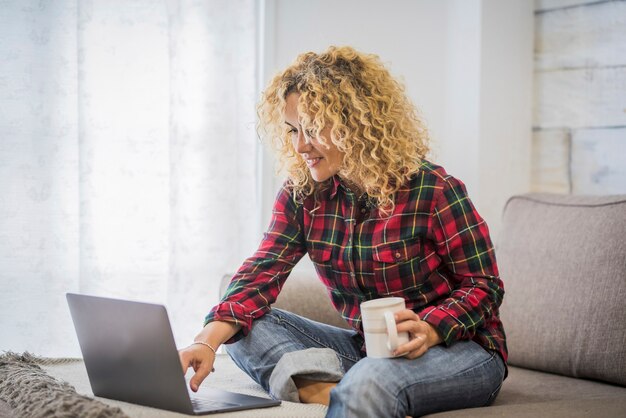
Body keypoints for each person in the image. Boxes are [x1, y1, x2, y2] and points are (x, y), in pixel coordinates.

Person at [178, 46, 507, 417]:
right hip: (370, 350)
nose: (300, 146)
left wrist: (431, 328)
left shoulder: (432, 189)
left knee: (373, 377)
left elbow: (484, 285)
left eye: (313, 129)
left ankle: (351, 390)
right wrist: (205, 343)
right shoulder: (302, 195)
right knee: (243, 327)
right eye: (292, 131)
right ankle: (329, 392)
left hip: (460, 350)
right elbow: (262, 270)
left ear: (356, 123)